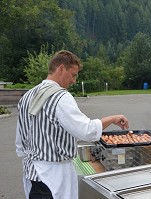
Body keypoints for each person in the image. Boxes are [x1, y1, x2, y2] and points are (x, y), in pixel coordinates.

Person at [15, 50, 129, 199]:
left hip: (32, 174)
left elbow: (20, 142)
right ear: (61, 69)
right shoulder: (60, 97)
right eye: (73, 75)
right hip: (53, 177)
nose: (74, 81)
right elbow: (87, 131)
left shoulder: (27, 96)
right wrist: (113, 118)